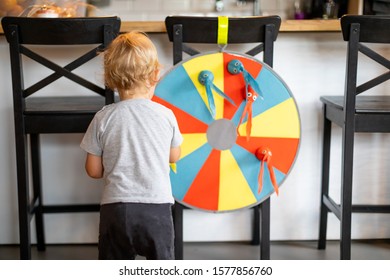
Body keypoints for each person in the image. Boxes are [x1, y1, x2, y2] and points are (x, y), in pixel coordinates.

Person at [80, 31, 183, 260]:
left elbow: (93, 170)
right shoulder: (166, 115)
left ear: (111, 78)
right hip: (156, 208)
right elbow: (174, 156)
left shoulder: (103, 117)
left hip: (115, 209)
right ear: (156, 74)